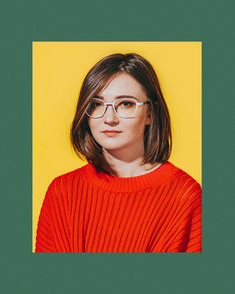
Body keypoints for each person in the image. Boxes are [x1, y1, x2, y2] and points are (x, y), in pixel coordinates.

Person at [35, 53, 201, 253]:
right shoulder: (63, 191)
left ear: (150, 113)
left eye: (126, 103)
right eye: (96, 104)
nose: (109, 118)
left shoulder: (185, 195)